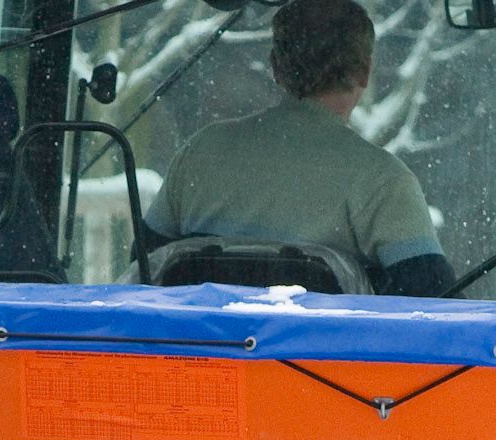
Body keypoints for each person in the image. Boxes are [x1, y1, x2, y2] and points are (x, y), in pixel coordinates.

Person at [144, 0, 453, 296]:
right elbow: (433, 308)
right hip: (321, 352)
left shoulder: (200, 153)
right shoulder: (383, 181)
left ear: (277, 68)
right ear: (365, 70)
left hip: (198, 348)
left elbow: (145, 269)